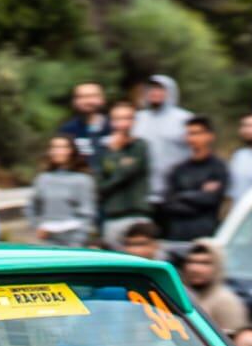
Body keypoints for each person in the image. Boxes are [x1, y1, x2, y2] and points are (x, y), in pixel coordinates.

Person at [157, 115, 229, 242]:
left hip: (205, 234)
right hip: (177, 234)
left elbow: (211, 199)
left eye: (197, 133)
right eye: (189, 133)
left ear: (210, 136)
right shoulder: (178, 169)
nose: (193, 138)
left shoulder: (218, 168)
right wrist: (197, 195)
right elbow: (167, 202)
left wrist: (181, 196)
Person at [96, 103, 153, 249]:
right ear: (111, 121)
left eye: (127, 118)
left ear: (134, 121)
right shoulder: (103, 149)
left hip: (138, 215)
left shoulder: (140, 146)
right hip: (113, 216)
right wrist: (116, 156)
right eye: (118, 119)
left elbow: (126, 173)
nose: (123, 123)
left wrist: (115, 157)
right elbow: (100, 185)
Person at [30, 135, 97, 247]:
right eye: (54, 147)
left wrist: (78, 240)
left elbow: (87, 214)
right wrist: (37, 226)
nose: (58, 151)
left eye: (62, 147)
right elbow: (32, 207)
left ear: (71, 150)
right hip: (48, 238)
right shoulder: (43, 179)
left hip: (73, 239)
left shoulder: (82, 180)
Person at [134, 74, 191, 206]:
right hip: (143, 193)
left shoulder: (184, 119)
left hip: (176, 192)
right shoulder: (138, 119)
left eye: (160, 89)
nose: (155, 93)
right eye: (151, 89)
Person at [179, 240, 250, 335]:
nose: (195, 269)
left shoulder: (225, 302)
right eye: (191, 261)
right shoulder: (187, 295)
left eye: (205, 263)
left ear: (218, 267)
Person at [56, 81, 110, 164]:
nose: (87, 101)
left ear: (102, 98)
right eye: (81, 97)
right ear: (74, 101)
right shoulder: (67, 130)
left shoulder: (116, 126)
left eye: (92, 96)